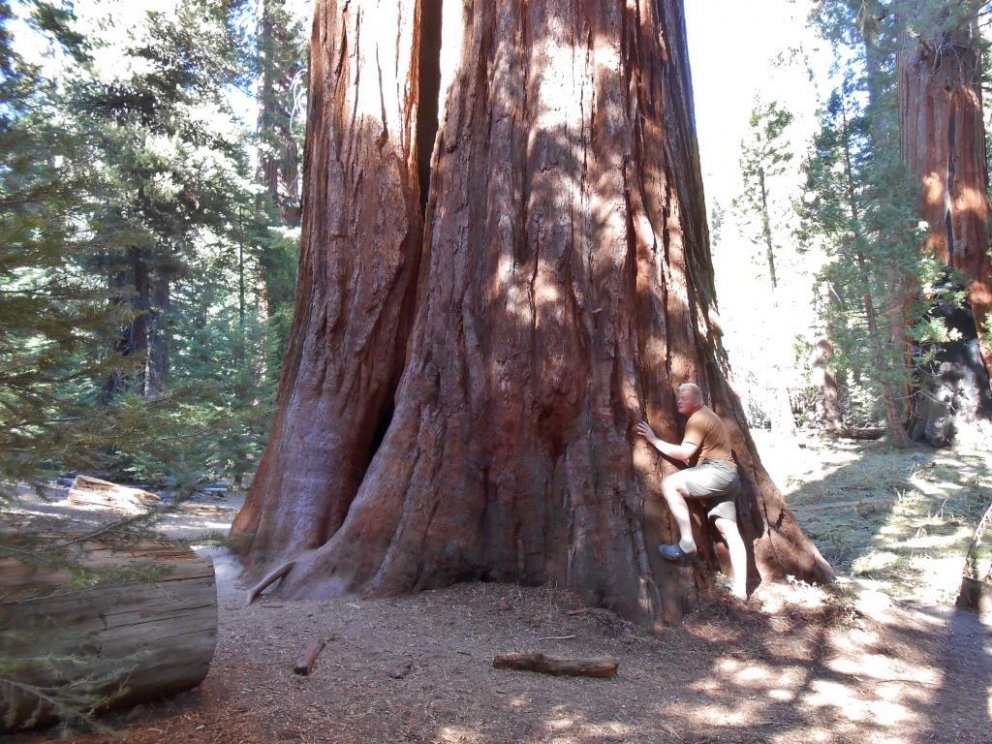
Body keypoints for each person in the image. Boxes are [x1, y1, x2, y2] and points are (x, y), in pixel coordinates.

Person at [636, 383, 748, 600]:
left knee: (670, 484)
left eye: (684, 397)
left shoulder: (698, 419)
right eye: (678, 396)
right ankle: (741, 590)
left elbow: (684, 452)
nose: (679, 400)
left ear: (697, 400)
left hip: (717, 472)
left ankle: (687, 542)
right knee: (728, 530)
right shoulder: (707, 416)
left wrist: (652, 439)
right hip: (729, 477)